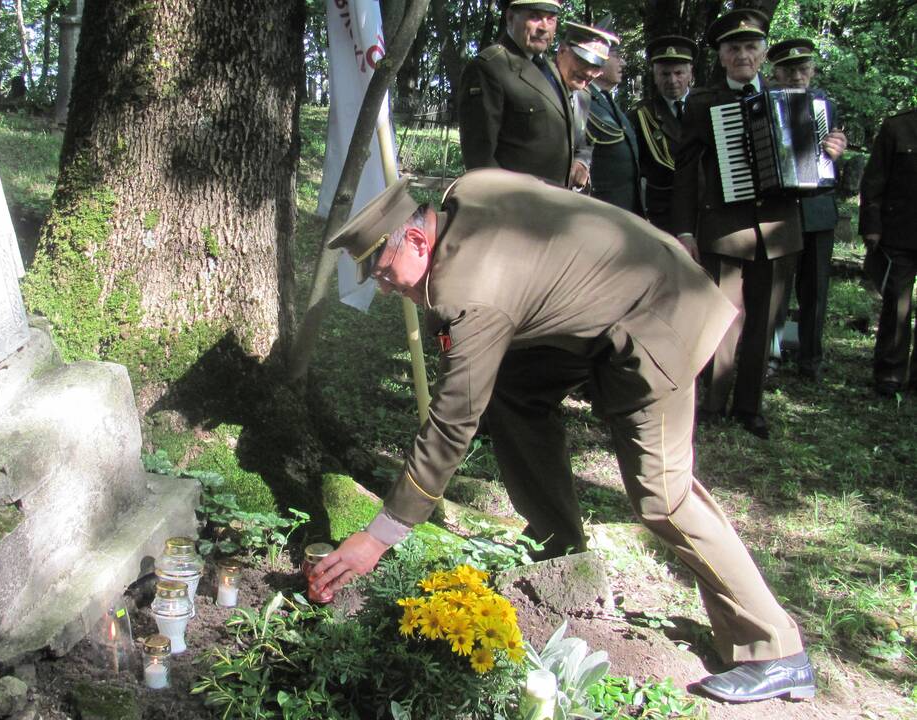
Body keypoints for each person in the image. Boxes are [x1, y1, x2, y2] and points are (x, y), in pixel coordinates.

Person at [309, 170, 817, 704]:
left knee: (663, 498)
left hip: (662, 317)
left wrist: (379, 535)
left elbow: (453, 421)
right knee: (513, 392)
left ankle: (775, 650)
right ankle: (558, 547)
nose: (389, 291)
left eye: (387, 275)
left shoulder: (469, 294)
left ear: (417, 239)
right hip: (614, 304)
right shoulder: (469, 192)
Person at [672, 9, 843, 439]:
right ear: (722, 57)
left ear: (763, 54)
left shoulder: (796, 100)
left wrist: (831, 151)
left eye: (751, 47)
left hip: (781, 229)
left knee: (764, 322)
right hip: (724, 230)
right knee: (723, 319)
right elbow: (685, 170)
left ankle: (749, 406)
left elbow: (816, 166)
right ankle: (713, 403)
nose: (743, 55)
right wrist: (686, 230)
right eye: (734, 49)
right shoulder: (704, 103)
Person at [767, 38, 847, 381]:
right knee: (776, 289)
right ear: (776, 73)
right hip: (779, 210)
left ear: (812, 70)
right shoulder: (763, 103)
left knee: (816, 288)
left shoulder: (825, 106)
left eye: (803, 69)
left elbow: (833, 157)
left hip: (818, 208)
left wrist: (836, 149)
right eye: (788, 70)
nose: (797, 76)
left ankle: (810, 359)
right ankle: (770, 355)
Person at [457, 0, 575, 187]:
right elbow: (480, 158)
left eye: (551, 19)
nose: (544, 28)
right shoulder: (489, 68)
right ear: (510, 18)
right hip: (517, 206)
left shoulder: (551, 70)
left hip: (554, 204)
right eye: (535, 17)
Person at [859, 107, 917, 396]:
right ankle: (890, 374)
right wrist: (872, 225)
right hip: (900, 230)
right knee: (897, 302)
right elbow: (873, 180)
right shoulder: (898, 127)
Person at [633, 35, 697, 231]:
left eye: (679, 73)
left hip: (704, 211)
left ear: (690, 73)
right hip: (664, 216)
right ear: (654, 75)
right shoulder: (640, 116)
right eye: (665, 74)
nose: (672, 80)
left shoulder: (708, 106)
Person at [554, 21, 619, 192]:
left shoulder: (583, 95)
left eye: (596, 66)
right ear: (562, 51)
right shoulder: (539, 84)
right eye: (583, 61)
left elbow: (582, 144)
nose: (589, 73)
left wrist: (582, 162)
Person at [586, 44, 643, 214]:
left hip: (623, 209)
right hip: (600, 212)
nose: (623, 63)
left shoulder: (605, 101)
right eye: (617, 56)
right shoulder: (583, 99)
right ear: (599, 57)